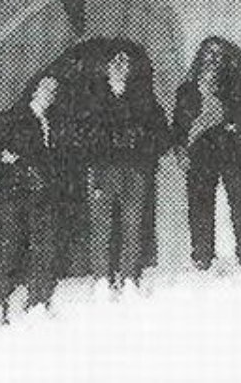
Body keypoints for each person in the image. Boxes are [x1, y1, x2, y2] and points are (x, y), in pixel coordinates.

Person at [77, 39, 169, 296]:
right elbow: (79, 133)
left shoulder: (144, 98)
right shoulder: (91, 97)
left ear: (131, 68)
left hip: (135, 169)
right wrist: (100, 145)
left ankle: (129, 278)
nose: (119, 65)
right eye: (114, 61)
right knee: (100, 225)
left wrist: (142, 144)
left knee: (133, 223)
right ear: (105, 67)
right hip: (102, 168)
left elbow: (162, 135)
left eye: (124, 61)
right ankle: (101, 280)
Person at [0, 76, 61, 324]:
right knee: (8, 243)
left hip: (43, 191)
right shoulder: (12, 116)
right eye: (45, 88)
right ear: (33, 90)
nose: (49, 93)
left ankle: (37, 302)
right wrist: (4, 155)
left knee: (43, 245)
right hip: (15, 189)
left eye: (53, 90)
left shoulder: (54, 121)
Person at [173, 36, 241, 270]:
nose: (213, 57)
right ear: (201, 55)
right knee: (199, 202)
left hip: (231, 147)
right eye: (208, 52)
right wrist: (180, 149)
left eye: (218, 53)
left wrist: (237, 125)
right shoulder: (187, 88)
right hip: (200, 150)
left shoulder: (238, 81)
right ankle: (202, 254)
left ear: (226, 56)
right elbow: (178, 124)